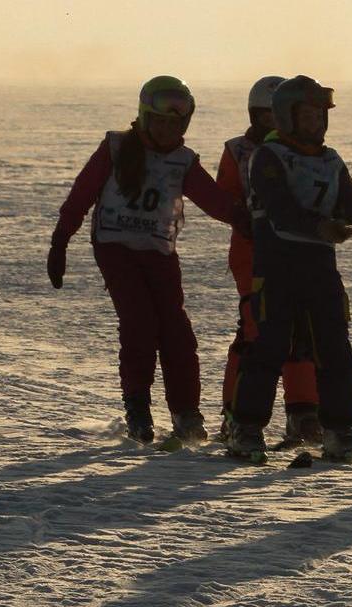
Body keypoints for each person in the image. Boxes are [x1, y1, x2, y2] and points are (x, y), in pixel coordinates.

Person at [49, 75, 245, 447]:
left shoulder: (183, 162)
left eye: (176, 123)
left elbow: (215, 201)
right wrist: (61, 240)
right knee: (140, 323)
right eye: (160, 121)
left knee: (176, 332)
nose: (168, 129)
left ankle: (186, 412)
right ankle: (137, 407)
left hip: (157, 251)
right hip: (115, 247)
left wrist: (247, 219)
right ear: (144, 116)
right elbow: (82, 193)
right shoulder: (117, 148)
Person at [225, 75, 352, 462]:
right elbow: (280, 210)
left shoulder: (331, 159)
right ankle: (246, 426)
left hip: (320, 268)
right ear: (287, 117)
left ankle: (340, 429)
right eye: (307, 115)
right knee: (269, 347)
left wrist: (345, 222)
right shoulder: (267, 157)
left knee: (334, 349)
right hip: (277, 267)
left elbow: (351, 203)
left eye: (320, 116)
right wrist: (321, 226)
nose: (316, 123)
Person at [215, 75, 324, 447]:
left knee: (301, 330)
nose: (276, 125)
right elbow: (223, 198)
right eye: (268, 117)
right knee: (256, 330)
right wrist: (245, 218)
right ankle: (235, 414)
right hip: (253, 253)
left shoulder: (310, 151)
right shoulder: (239, 151)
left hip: (300, 251)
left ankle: (304, 413)